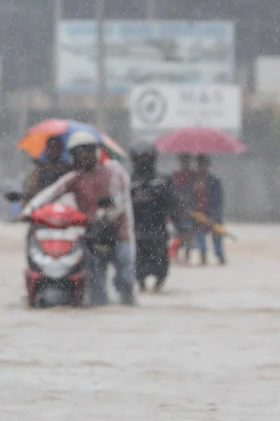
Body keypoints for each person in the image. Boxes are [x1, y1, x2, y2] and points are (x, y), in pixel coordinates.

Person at [24, 131, 135, 306]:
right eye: (78, 152)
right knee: (95, 279)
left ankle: (128, 304)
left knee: (125, 276)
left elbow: (120, 201)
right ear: (73, 156)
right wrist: (28, 211)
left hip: (119, 233)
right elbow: (49, 194)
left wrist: (104, 214)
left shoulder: (114, 171)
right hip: (92, 235)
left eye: (87, 151)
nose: (84, 156)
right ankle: (101, 308)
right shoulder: (74, 178)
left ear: (96, 152)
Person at [130, 145, 177, 292]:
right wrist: (135, 199)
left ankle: (158, 288)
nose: (144, 162)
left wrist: (154, 196)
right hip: (137, 230)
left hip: (158, 228)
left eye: (147, 158)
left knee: (161, 265)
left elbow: (172, 203)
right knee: (138, 265)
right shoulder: (128, 180)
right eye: (140, 158)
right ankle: (142, 287)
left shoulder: (162, 180)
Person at [189, 155, 226, 265]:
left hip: (212, 215)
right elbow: (190, 199)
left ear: (207, 165)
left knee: (217, 238)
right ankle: (203, 259)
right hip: (198, 215)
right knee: (200, 241)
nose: (201, 168)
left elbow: (219, 200)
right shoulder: (192, 182)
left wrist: (214, 217)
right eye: (200, 165)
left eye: (204, 165)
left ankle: (220, 258)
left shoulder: (214, 181)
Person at [23, 136, 71, 201]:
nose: (52, 151)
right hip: (42, 202)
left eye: (55, 147)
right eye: (50, 147)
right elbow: (31, 188)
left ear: (60, 149)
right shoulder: (40, 167)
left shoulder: (67, 168)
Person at [170, 153, 196, 263]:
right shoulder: (175, 175)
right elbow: (172, 190)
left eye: (187, 160)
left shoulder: (193, 175)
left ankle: (187, 256)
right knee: (178, 234)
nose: (185, 162)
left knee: (189, 233)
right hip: (177, 208)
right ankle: (176, 256)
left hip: (190, 208)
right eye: (183, 160)